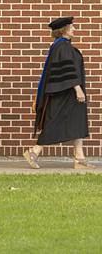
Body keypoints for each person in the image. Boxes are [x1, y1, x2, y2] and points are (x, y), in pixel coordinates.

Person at [24, 17, 93, 170]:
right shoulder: (63, 47)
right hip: (66, 93)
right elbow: (67, 70)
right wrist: (78, 88)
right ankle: (34, 152)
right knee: (55, 122)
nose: (74, 29)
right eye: (71, 27)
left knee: (77, 121)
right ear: (64, 30)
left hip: (67, 92)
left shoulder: (59, 46)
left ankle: (79, 158)